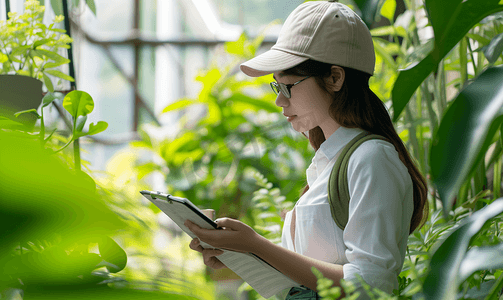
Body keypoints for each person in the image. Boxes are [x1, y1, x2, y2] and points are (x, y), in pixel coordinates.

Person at [184, 0, 429, 299]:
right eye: (277, 87)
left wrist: (257, 245)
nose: (280, 101)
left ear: (335, 78)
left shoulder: (372, 159)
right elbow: (301, 284)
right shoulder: (328, 161)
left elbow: (371, 286)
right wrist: (239, 254)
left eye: (289, 86)